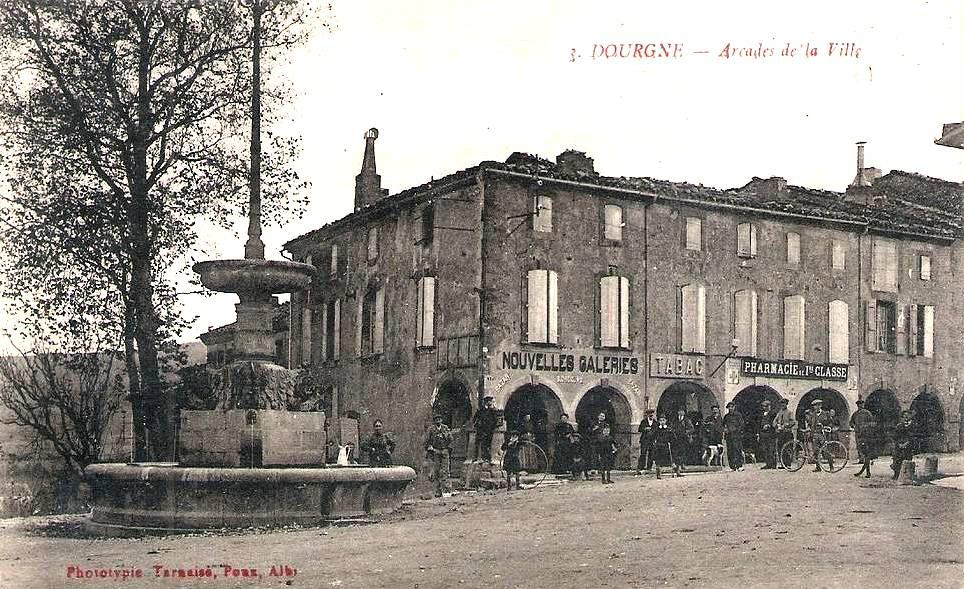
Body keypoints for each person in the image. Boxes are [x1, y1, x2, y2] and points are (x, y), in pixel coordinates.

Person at [425, 414, 453, 497]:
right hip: (435, 451)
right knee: (436, 471)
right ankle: (438, 490)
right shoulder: (431, 429)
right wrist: (430, 447)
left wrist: (448, 448)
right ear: (434, 421)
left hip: (444, 451)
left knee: (445, 471)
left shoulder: (445, 428)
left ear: (441, 420)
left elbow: (451, 439)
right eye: (436, 419)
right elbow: (427, 440)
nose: (438, 421)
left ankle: (446, 490)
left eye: (439, 419)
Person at [850, 399, 877, 478]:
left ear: (863, 405)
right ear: (857, 405)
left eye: (861, 404)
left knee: (867, 455)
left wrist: (867, 426)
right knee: (864, 454)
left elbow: (872, 423)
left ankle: (866, 472)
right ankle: (864, 471)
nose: (860, 406)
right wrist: (854, 426)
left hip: (866, 436)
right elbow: (851, 422)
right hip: (859, 436)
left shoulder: (867, 413)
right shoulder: (855, 414)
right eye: (859, 405)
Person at [807, 399, 835, 472]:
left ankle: (831, 466)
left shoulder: (826, 414)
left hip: (823, 434)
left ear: (821, 406)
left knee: (825, 451)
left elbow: (831, 423)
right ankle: (818, 467)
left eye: (818, 405)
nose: (816, 407)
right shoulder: (812, 415)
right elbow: (810, 424)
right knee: (816, 451)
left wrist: (827, 427)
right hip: (815, 434)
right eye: (815, 406)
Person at [473, 396, 500, 463]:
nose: (491, 403)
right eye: (490, 401)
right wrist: (477, 425)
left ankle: (488, 458)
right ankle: (480, 458)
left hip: (489, 430)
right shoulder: (481, 410)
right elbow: (475, 418)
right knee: (482, 444)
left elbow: (496, 419)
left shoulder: (492, 410)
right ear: (486, 402)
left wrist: (494, 426)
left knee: (488, 444)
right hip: (481, 430)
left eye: (491, 401)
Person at [772, 398, 796, 469]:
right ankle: (782, 464)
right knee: (780, 448)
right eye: (781, 404)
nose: (782, 405)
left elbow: (793, 422)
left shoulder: (789, 412)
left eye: (784, 404)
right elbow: (774, 422)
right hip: (780, 433)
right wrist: (776, 425)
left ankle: (788, 464)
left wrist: (785, 425)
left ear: (786, 404)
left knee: (787, 448)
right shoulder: (779, 413)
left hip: (787, 433)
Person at [891, 410, 915, 480]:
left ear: (911, 416)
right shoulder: (899, 426)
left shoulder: (913, 426)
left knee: (907, 459)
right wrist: (899, 444)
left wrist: (906, 444)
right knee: (897, 459)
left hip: (909, 446)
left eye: (908, 415)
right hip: (899, 446)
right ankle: (896, 474)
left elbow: (913, 437)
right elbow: (895, 436)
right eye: (904, 416)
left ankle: (907, 475)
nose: (906, 417)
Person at [723, 402, 745, 471]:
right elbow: (723, 425)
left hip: (736, 435)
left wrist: (735, 430)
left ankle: (739, 465)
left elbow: (741, 425)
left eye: (732, 407)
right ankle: (732, 466)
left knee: (737, 449)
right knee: (730, 451)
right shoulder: (726, 416)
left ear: (734, 407)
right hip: (729, 436)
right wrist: (725, 429)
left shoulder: (738, 415)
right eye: (729, 407)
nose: (730, 408)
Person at [636, 408, 658, 474]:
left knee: (651, 454)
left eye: (652, 415)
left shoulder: (655, 423)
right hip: (644, 440)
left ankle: (649, 467)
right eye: (650, 415)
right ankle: (641, 467)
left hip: (652, 440)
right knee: (643, 453)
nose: (651, 416)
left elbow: (657, 431)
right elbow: (639, 429)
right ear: (647, 415)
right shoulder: (644, 421)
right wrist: (645, 429)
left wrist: (655, 439)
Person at [758, 400, 778, 469]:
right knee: (765, 449)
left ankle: (773, 464)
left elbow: (775, 422)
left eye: (766, 406)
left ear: (769, 406)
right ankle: (768, 464)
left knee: (771, 449)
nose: (765, 408)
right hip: (763, 434)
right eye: (763, 406)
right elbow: (759, 423)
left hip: (770, 434)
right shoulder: (762, 414)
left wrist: (769, 425)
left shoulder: (773, 414)